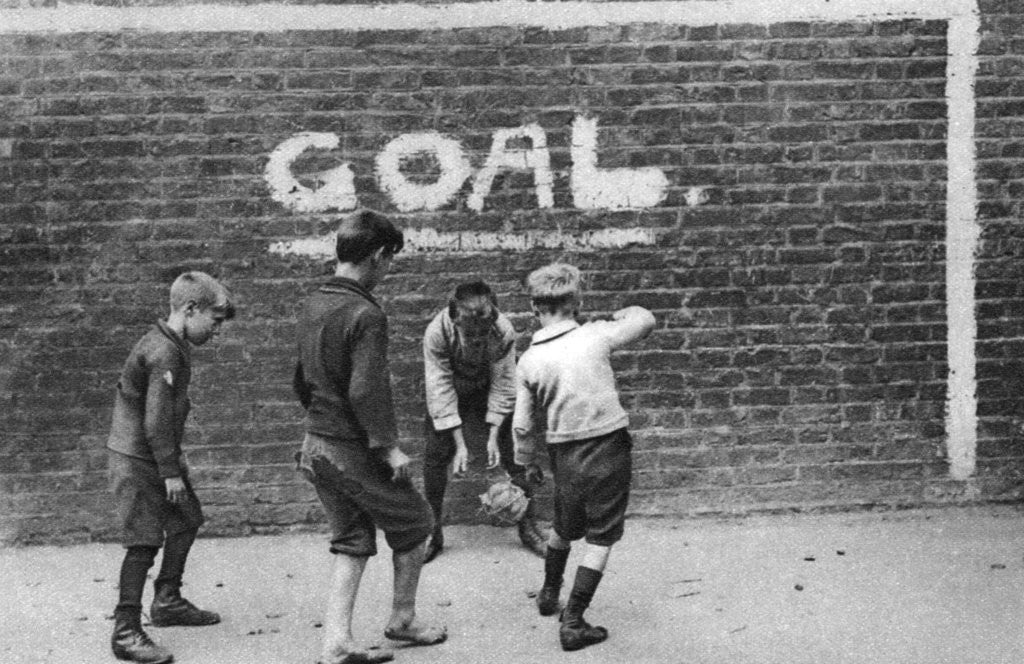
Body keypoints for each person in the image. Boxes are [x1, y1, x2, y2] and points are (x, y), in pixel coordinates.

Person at [292, 209, 446, 664]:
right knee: (417, 522)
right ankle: (403, 619)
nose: (388, 269)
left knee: (353, 538)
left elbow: (300, 380)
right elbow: (365, 390)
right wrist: (388, 448)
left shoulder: (312, 304)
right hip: (349, 450)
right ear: (378, 255)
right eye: (390, 259)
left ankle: (336, 642)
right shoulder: (366, 313)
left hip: (315, 446)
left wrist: (323, 419)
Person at [512, 263, 655, 652]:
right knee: (602, 536)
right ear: (576, 302)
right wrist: (621, 313)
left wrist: (527, 462)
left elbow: (522, 425)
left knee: (563, 525)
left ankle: (549, 593)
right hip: (608, 448)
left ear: (534, 307)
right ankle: (573, 621)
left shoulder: (529, 360)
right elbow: (645, 320)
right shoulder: (596, 335)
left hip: (564, 454)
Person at [106, 271, 235, 664]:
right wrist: (170, 471)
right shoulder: (163, 351)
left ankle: (167, 599)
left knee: (186, 518)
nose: (217, 330)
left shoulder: (172, 344)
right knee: (143, 541)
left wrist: (171, 461)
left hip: (155, 455)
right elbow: (156, 420)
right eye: (215, 320)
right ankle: (126, 631)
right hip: (137, 460)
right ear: (190, 309)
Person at [421, 280, 547, 563]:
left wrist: (493, 437)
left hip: (488, 387)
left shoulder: (503, 330)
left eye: (483, 331)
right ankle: (433, 531)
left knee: (516, 450)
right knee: (435, 455)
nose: (477, 339)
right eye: (470, 332)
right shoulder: (436, 332)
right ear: (455, 319)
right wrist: (460, 444)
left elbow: (504, 384)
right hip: (452, 389)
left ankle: (528, 526)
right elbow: (440, 388)